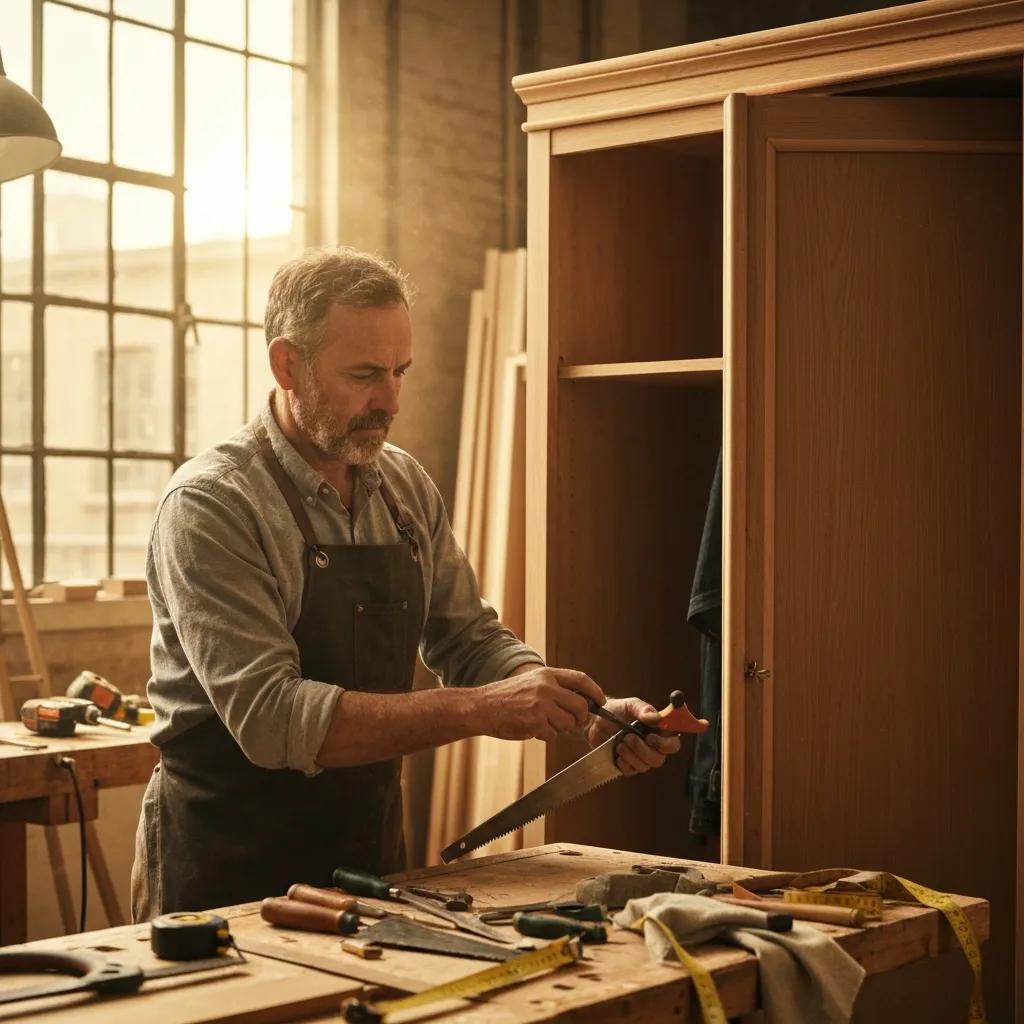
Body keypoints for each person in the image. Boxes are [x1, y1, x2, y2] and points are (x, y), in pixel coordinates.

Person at [131, 246, 680, 918]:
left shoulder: (402, 485)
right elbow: (273, 719)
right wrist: (482, 708)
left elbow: (470, 640)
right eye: (364, 375)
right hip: (224, 867)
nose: (390, 401)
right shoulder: (213, 506)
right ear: (287, 364)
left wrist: (574, 710)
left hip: (366, 855)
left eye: (399, 372)